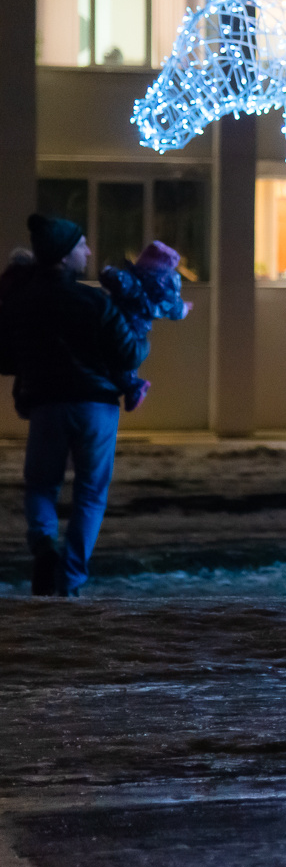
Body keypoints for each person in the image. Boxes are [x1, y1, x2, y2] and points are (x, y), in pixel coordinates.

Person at [0, 215, 149, 596]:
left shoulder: (21, 302)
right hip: (97, 407)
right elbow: (130, 353)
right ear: (65, 256)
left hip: (48, 405)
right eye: (82, 244)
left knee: (40, 486)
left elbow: (4, 356)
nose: (89, 250)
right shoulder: (93, 301)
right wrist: (139, 318)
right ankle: (70, 579)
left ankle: (44, 547)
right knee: (91, 493)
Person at [97, 241, 193, 412]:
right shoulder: (167, 288)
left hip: (121, 324)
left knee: (116, 359)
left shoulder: (133, 282)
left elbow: (113, 278)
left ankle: (133, 386)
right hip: (139, 329)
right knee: (125, 362)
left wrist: (107, 271)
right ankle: (132, 386)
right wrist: (185, 308)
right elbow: (175, 310)